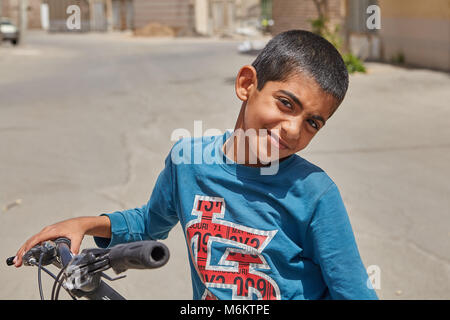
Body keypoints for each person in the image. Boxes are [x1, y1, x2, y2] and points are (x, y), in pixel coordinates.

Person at [13, 30, 378, 300]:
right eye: (286, 103)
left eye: (313, 122)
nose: (294, 130)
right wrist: (85, 223)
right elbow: (148, 224)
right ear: (247, 84)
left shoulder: (314, 193)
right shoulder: (187, 162)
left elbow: (352, 291)